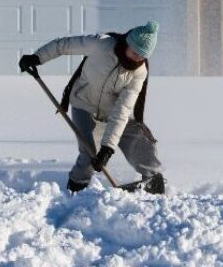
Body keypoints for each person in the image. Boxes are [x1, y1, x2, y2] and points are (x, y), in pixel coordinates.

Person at [19, 21, 165, 194]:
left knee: (142, 141)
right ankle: (75, 190)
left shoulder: (139, 72)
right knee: (90, 154)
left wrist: (108, 148)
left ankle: (152, 183)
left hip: (112, 112)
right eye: (135, 53)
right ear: (128, 43)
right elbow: (64, 45)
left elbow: (122, 110)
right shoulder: (101, 44)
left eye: (142, 56)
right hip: (84, 105)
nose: (137, 59)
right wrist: (38, 57)